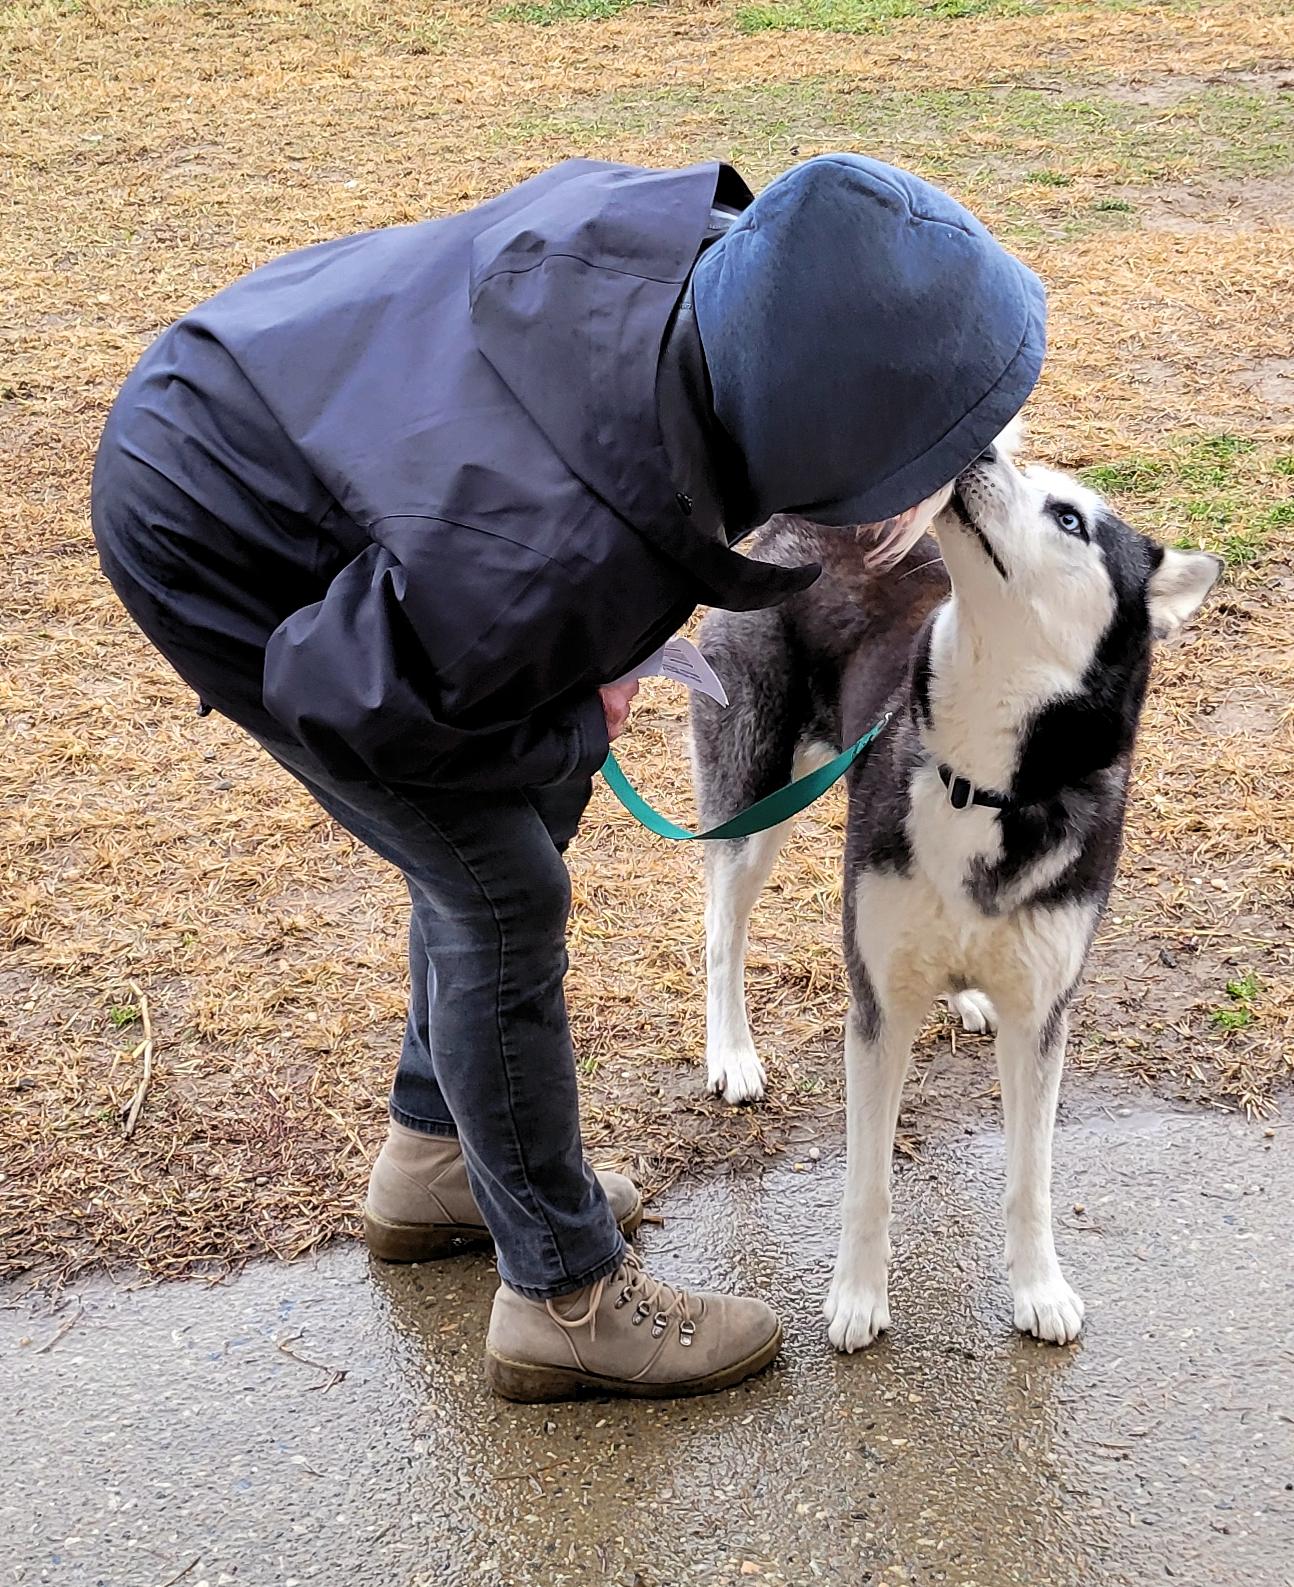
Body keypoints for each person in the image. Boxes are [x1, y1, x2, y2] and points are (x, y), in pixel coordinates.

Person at [91, 153, 1045, 1402]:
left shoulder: (700, 269)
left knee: (515, 824)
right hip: (214, 525)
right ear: (837, 444)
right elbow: (361, 703)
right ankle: (564, 1294)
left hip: (284, 386)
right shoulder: (540, 561)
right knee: (501, 891)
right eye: (939, 454)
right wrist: (575, 707)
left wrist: (569, 670)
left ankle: (435, 1162)